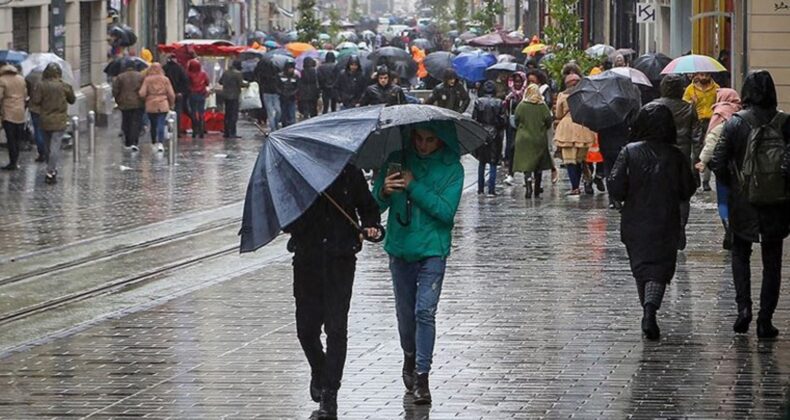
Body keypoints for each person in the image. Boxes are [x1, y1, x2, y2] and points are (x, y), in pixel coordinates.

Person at [372, 123, 464, 405]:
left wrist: (413, 185)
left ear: (441, 140)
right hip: (400, 247)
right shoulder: (397, 160)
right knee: (405, 312)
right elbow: (374, 206)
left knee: (425, 311)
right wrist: (384, 192)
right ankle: (409, 356)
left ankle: (422, 375)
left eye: (430, 140)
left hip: (433, 249)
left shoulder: (452, 168)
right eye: (419, 139)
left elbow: (446, 212)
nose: (423, 145)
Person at [283, 165, 382, 420]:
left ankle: (330, 395)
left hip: (340, 259)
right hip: (307, 260)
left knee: (336, 328)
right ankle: (320, 369)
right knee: (306, 330)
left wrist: (371, 227)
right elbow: (286, 220)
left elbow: (368, 209)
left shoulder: (350, 173)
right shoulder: (299, 174)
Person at [711, 70, 790, 339]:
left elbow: (717, 161)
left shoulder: (736, 123)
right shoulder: (785, 123)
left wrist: (733, 184)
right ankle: (765, 320)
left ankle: (744, 308)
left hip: (743, 200)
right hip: (776, 201)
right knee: (773, 261)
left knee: (740, 253)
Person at [608, 102, 697, 340]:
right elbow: (688, 188)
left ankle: (647, 310)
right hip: (665, 219)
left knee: (641, 268)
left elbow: (615, 185)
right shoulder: (675, 154)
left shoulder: (629, 151)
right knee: (659, 269)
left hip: (635, 219)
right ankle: (650, 310)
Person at [653, 74, 698, 249]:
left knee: (659, 193)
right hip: (682, 156)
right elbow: (697, 137)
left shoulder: (652, 107)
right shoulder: (689, 109)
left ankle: (663, 229)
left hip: (658, 156)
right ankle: (679, 227)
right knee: (682, 195)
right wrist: (697, 160)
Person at [697, 88, 741, 249]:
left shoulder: (720, 112)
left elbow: (712, 140)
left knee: (723, 199)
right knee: (737, 198)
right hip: (739, 165)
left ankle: (728, 227)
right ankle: (736, 227)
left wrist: (703, 160)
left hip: (722, 165)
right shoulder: (740, 113)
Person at [30, 63, 75, 184]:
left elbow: (36, 100)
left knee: (47, 145)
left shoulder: (41, 85)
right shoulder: (64, 86)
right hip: (59, 120)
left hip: (45, 119)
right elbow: (72, 100)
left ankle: (51, 168)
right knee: (55, 146)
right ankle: (51, 171)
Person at [553, 73, 596, 195]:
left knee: (569, 160)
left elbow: (558, 114)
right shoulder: (586, 94)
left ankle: (575, 187)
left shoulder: (562, 95)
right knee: (581, 159)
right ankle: (587, 180)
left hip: (567, 128)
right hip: (583, 126)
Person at [513, 84, 553, 198]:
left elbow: (516, 120)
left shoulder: (521, 106)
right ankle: (537, 188)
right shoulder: (542, 106)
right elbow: (549, 121)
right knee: (538, 164)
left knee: (527, 163)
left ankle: (528, 182)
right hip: (539, 138)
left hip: (523, 139)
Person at [683, 72, 720, 191]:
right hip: (697, 122)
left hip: (711, 121)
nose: (704, 78)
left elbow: (719, 104)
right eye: (702, 75)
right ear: (697, 75)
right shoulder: (690, 89)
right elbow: (684, 105)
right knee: (696, 153)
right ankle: (695, 180)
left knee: (709, 150)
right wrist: (692, 102)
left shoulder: (716, 88)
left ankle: (706, 181)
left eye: (707, 75)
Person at [472, 80, 506, 195]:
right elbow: (503, 120)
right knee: (493, 162)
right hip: (495, 134)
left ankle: (480, 189)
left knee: (481, 162)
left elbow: (474, 119)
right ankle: (491, 190)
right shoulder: (499, 103)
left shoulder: (478, 102)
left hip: (482, 133)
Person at [138, 62, 175, 152]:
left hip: (150, 104)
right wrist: (171, 103)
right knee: (161, 123)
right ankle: (160, 143)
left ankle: (154, 141)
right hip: (163, 104)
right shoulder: (165, 79)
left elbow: (141, 93)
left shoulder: (147, 79)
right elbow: (171, 94)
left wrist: (146, 98)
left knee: (153, 124)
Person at [112, 60, 145, 150]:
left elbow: (115, 90)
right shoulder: (141, 76)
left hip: (124, 103)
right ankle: (135, 141)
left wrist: (117, 99)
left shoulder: (120, 77)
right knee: (136, 122)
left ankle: (128, 141)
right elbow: (144, 89)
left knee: (126, 122)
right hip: (138, 103)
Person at [0, 62, 27, 170]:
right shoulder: (21, 79)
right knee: (17, 138)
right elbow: (25, 95)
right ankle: (15, 160)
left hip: (8, 113)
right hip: (20, 112)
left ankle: (13, 162)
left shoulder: (2, 80)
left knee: (10, 138)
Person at [502, 71, 526, 186]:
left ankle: (527, 175)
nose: (517, 84)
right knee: (512, 148)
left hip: (525, 126)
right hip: (511, 126)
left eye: (519, 81)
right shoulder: (509, 96)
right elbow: (505, 109)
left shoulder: (526, 95)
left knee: (526, 150)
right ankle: (511, 173)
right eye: (515, 81)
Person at [217, 60, 247, 139]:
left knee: (227, 114)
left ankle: (226, 132)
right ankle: (232, 132)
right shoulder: (238, 74)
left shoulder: (226, 72)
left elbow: (220, 82)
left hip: (226, 95)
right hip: (234, 96)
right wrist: (248, 84)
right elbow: (241, 84)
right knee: (233, 115)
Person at [162, 54, 190, 136]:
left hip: (166, 94)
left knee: (166, 112)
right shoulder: (180, 68)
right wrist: (181, 92)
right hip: (178, 94)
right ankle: (176, 132)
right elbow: (185, 80)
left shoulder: (164, 68)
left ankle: (166, 130)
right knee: (177, 112)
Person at [255, 57, 282, 131]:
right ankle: (273, 128)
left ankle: (274, 126)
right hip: (269, 92)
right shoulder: (274, 70)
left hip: (269, 92)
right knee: (275, 110)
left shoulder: (260, 71)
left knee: (274, 111)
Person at [186, 59, 209, 138]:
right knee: (201, 112)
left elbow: (187, 84)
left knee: (193, 112)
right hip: (202, 94)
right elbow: (207, 83)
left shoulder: (189, 74)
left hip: (192, 95)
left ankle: (194, 130)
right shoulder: (203, 74)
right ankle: (201, 129)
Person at [279, 61, 299, 127]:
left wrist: (293, 93)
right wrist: (281, 92)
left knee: (291, 114)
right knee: (283, 114)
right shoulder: (280, 76)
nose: (291, 70)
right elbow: (277, 86)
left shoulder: (295, 76)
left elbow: (298, 86)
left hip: (292, 98)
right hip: (283, 98)